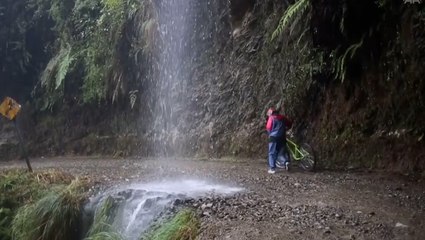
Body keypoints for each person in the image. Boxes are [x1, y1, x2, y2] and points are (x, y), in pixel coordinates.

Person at [266, 107, 292, 174]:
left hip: (273, 137)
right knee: (283, 151)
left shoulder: (271, 118)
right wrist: (285, 129)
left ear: (270, 113)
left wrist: (270, 134)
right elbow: (289, 124)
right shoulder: (282, 117)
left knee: (271, 153)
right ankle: (286, 162)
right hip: (282, 137)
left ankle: (272, 168)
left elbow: (268, 127)